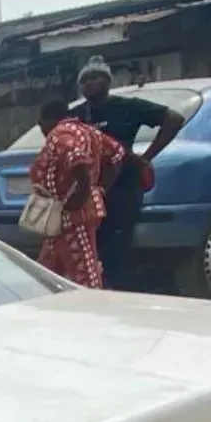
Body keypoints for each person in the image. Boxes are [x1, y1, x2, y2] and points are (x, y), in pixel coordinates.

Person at [75, 57, 184, 290]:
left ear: (107, 82)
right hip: (88, 191)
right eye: (84, 81)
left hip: (122, 190)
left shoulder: (128, 107)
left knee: (118, 249)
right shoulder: (75, 115)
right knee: (91, 248)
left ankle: (120, 293)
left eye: (94, 78)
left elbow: (174, 119)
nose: (88, 84)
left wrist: (146, 157)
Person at [29, 99, 125, 289]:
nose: (40, 126)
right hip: (61, 216)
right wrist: (101, 188)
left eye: (41, 121)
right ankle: (40, 299)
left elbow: (77, 161)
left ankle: (92, 306)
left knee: (83, 267)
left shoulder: (59, 134)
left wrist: (80, 195)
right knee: (47, 267)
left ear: (48, 119)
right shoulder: (89, 132)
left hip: (72, 215)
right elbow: (117, 154)